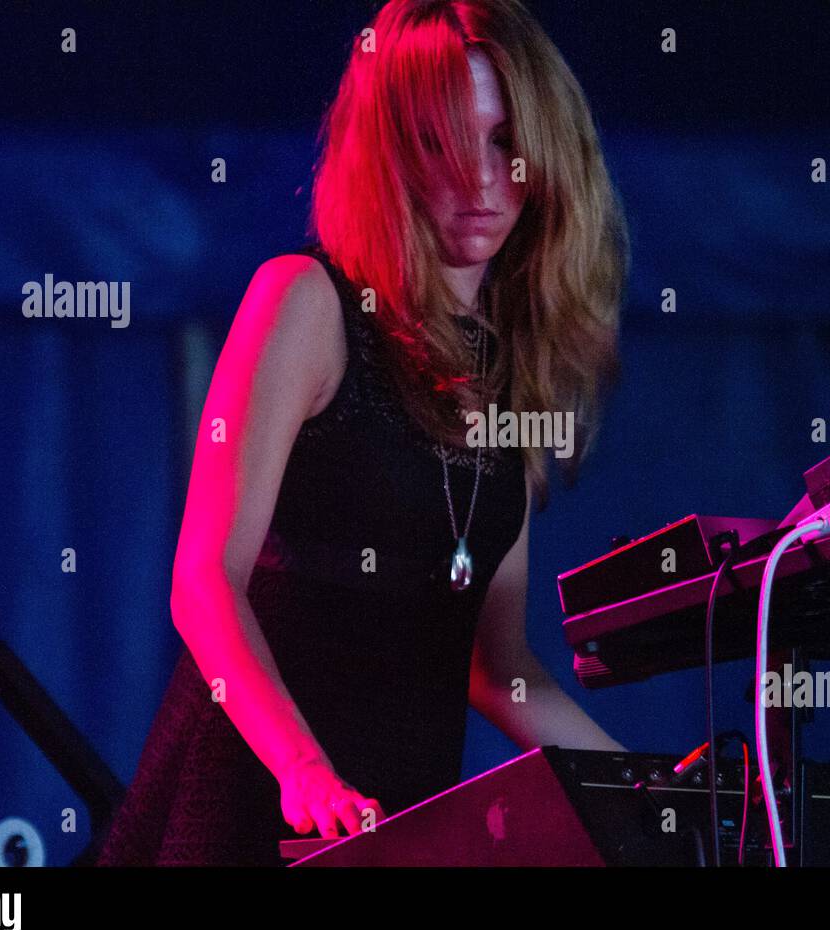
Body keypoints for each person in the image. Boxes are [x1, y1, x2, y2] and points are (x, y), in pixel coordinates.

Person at [96, 0, 629, 866]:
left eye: (504, 142)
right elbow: (202, 582)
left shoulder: (506, 365)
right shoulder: (305, 302)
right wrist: (304, 773)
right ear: (390, 155)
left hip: (398, 818)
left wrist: (644, 789)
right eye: (441, 142)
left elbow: (496, 668)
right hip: (251, 798)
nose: (482, 180)